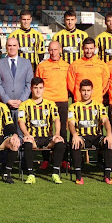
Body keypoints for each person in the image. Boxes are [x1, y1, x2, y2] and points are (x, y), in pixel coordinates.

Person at [17, 77, 65, 184]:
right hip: (33, 138)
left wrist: (57, 134)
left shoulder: (50, 104)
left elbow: (57, 119)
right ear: (31, 89)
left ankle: (55, 173)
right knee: (27, 142)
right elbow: (21, 122)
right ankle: (31, 174)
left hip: (47, 138)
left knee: (60, 142)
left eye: (40, 88)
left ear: (44, 89)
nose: (38, 90)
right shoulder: (24, 105)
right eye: (35, 88)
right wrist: (27, 134)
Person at [67, 79, 112, 185]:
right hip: (82, 137)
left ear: (92, 91)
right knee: (75, 143)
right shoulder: (73, 107)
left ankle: (107, 175)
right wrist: (74, 135)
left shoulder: (99, 106)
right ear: (79, 91)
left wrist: (109, 134)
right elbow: (71, 123)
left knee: (109, 142)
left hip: (96, 137)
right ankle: (79, 176)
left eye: (88, 90)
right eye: (83, 90)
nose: (86, 93)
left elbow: (105, 120)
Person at [35, 40, 70, 169]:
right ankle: (46, 159)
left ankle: (63, 159)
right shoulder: (42, 66)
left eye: (55, 49)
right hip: (47, 102)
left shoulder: (67, 66)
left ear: (60, 50)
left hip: (62, 101)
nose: (53, 52)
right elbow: (38, 83)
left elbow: (70, 84)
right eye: (50, 49)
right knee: (45, 130)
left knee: (62, 131)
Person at [0, 37, 33, 132]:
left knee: (21, 133)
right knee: (5, 135)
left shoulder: (26, 63)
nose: (12, 48)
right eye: (9, 45)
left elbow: (29, 83)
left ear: (18, 46)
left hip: (22, 105)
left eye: (14, 45)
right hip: (5, 105)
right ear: (6, 47)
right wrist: (7, 100)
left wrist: (21, 100)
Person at [67, 38, 109, 102]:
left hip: (96, 101)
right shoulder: (74, 65)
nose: (89, 51)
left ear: (95, 48)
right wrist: (78, 94)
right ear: (82, 48)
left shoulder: (102, 65)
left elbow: (105, 83)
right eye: (86, 48)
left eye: (91, 48)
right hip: (79, 101)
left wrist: (98, 93)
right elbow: (71, 84)